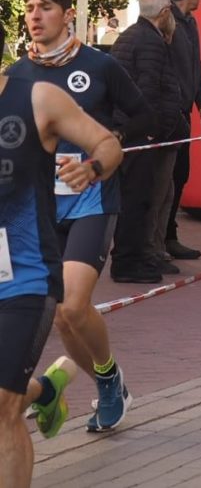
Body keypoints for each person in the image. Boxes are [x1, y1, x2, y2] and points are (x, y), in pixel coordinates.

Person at [7, 0, 151, 434]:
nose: (35, 16)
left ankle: (108, 383)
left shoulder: (99, 65)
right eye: (30, 7)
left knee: (72, 306)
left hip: (91, 198)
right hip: (37, 210)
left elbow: (142, 114)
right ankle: (80, 384)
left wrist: (99, 154)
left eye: (46, 7)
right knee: (61, 317)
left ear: (68, 14)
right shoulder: (16, 76)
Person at [0, 34, 123, 487]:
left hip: (25, 277)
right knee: (8, 396)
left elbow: (107, 143)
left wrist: (92, 168)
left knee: (2, 407)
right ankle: (45, 390)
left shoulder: (37, 98)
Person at [110, 0, 187, 282]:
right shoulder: (150, 42)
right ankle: (132, 261)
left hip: (131, 130)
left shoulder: (131, 36)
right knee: (139, 200)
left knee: (141, 198)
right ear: (165, 13)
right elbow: (147, 91)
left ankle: (137, 257)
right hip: (141, 134)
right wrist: (153, 131)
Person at [165, 0, 201, 262]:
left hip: (184, 112)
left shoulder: (191, 23)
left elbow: (197, 66)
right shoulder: (165, 19)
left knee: (180, 173)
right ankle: (159, 238)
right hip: (167, 113)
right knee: (164, 178)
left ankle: (169, 235)